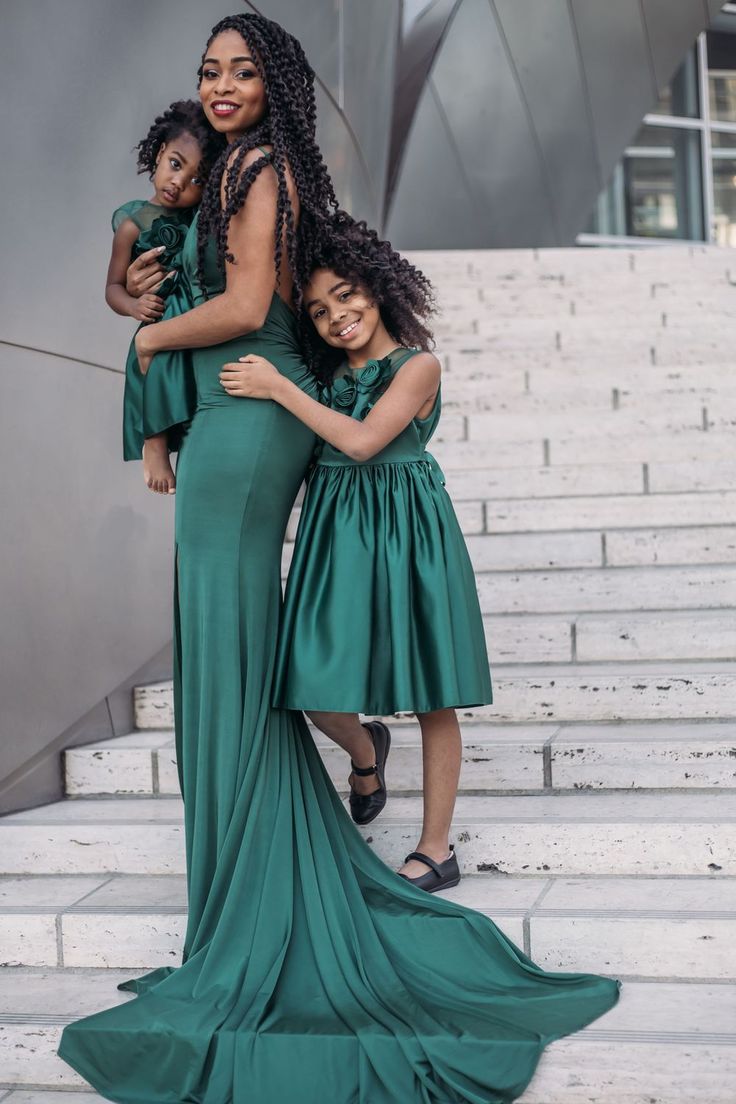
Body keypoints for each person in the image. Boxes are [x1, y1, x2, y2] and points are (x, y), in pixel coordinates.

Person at [58, 13, 619, 1103]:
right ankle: (251, 887)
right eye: (208, 71)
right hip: (226, 416)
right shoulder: (218, 172)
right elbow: (176, 287)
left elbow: (251, 306)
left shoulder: (259, 168)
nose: (220, 87)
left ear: (276, 89)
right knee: (221, 644)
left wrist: (150, 338)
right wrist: (138, 298)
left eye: (242, 72)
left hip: (250, 416)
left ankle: (260, 908)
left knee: (224, 641)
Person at [221, 212, 492, 893]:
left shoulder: (418, 364)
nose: (336, 314)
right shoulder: (325, 377)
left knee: (435, 695)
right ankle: (366, 753)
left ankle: (436, 850)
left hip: (407, 530)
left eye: (346, 294)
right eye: (317, 310)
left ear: (377, 287)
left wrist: (280, 387)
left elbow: (366, 441)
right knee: (310, 682)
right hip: (337, 531)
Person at [107, 99, 224, 492]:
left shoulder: (201, 220)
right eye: (176, 164)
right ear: (159, 155)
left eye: (196, 180)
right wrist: (134, 305)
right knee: (160, 361)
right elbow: (113, 288)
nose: (180, 182)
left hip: (199, 312)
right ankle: (154, 444)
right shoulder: (132, 224)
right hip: (160, 314)